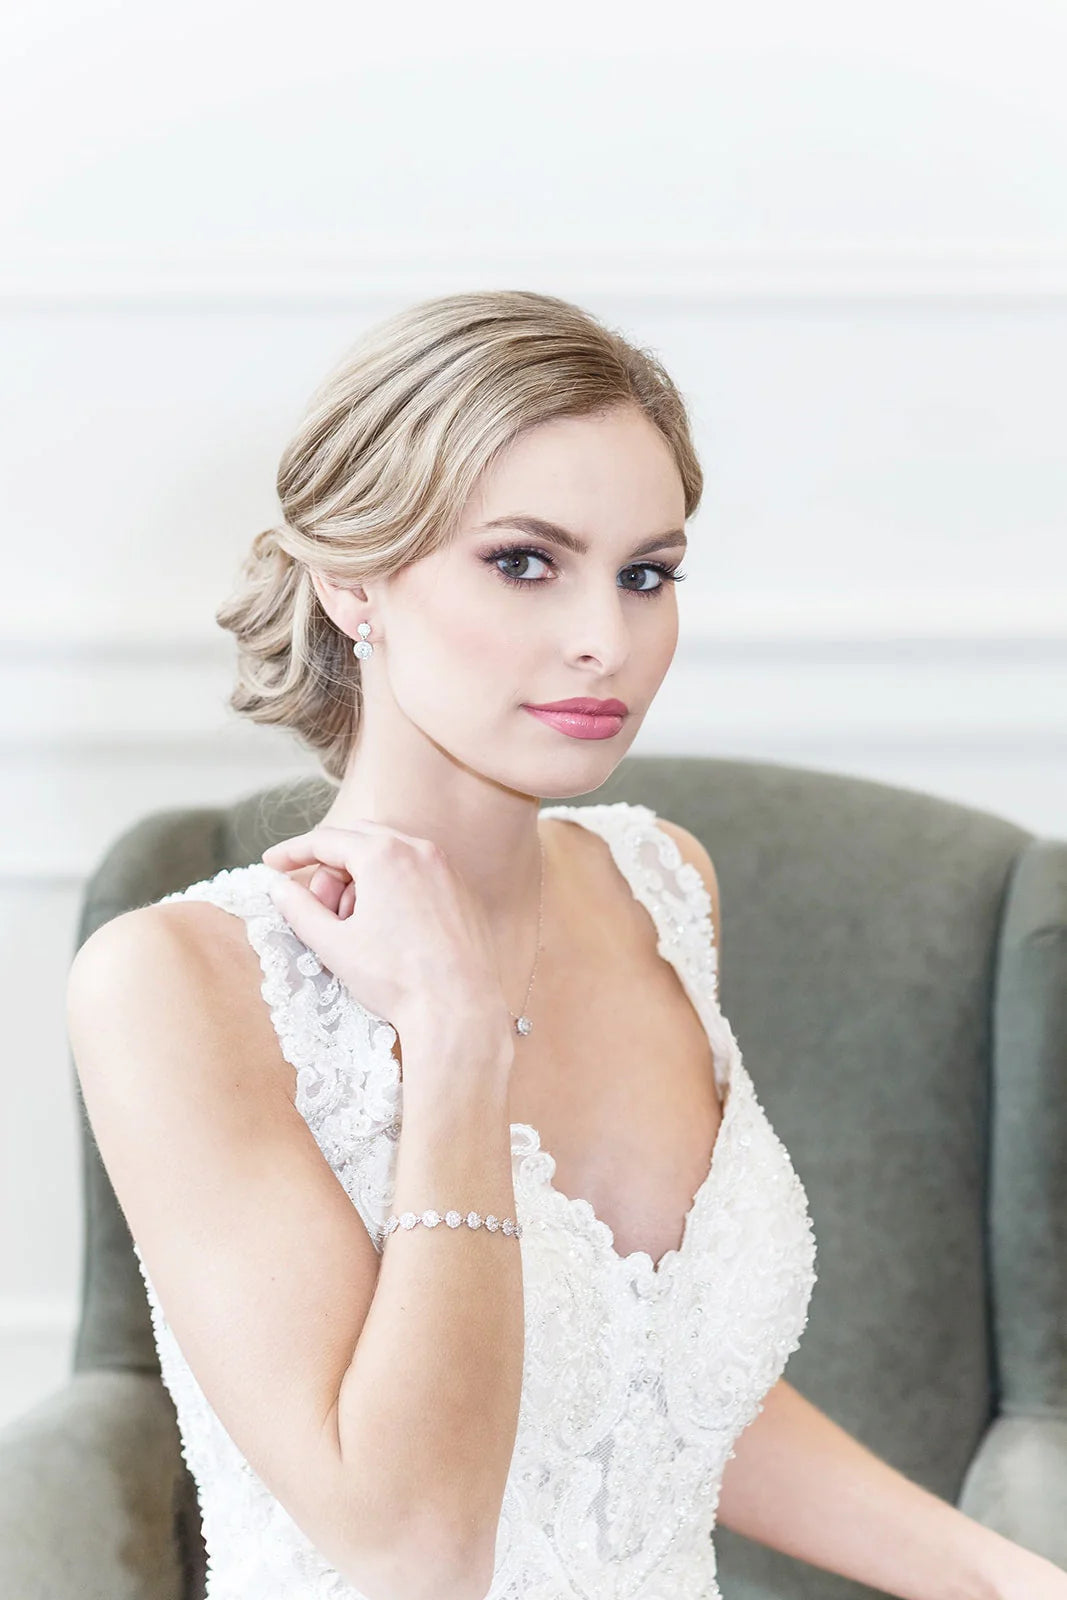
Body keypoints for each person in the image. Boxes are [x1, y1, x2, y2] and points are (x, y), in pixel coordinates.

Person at [68, 290, 1066, 1600]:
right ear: (353, 578)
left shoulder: (658, 885)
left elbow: (652, 1405)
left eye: (647, 573)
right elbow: (414, 1544)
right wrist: (457, 1041)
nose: (609, 638)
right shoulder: (175, 982)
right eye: (526, 562)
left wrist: (1006, 1580)